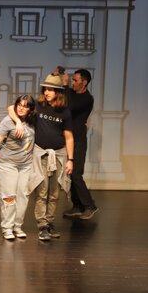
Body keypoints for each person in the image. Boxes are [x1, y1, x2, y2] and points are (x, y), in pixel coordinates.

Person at [11, 74, 74, 241]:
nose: (46, 92)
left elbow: (69, 137)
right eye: (45, 89)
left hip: (58, 155)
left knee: (55, 192)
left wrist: (70, 160)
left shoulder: (65, 111)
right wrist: (18, 122)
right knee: (42, 190)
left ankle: (50, 222)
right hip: (40, 155)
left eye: (50, 89)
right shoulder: (38, 106)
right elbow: (12, 108)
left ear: (58, 92)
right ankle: (42, 225)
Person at [0, 95, 36, 240]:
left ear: (30, 109)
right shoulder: (7, 121)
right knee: (9, 196)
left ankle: (17, 226)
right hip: (8, 163)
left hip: (26, 164)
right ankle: (7, 228)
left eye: (25, 106)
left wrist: (19, 122)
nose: (21, 108)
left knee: (23, 196)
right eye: (19, 105)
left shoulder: (32, 121)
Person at [59, 68, 99, 220]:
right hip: (69, 139)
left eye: (76, 80)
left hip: (78, 140)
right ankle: (77, 206)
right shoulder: (72, 93)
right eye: (72, 80)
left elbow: (68, 106)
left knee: (76, 173)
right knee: (71, 174)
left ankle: (90, 206)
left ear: (84, 82)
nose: (73, 83)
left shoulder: (87, 99)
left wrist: (65, 86)